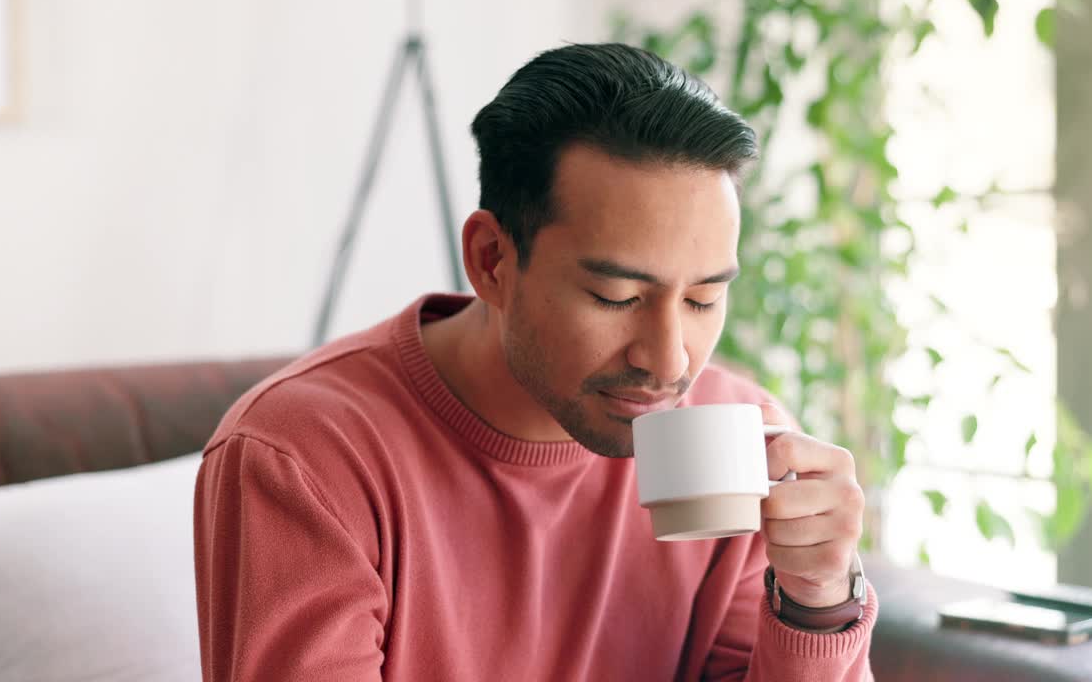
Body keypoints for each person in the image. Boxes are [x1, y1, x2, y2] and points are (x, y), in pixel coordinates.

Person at [193, 42, 876, 681]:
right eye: (617, 296)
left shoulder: (740, 437)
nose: (669, 361)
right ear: (492, 261)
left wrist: (817, 602)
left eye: (703, 299)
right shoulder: (304, 457)